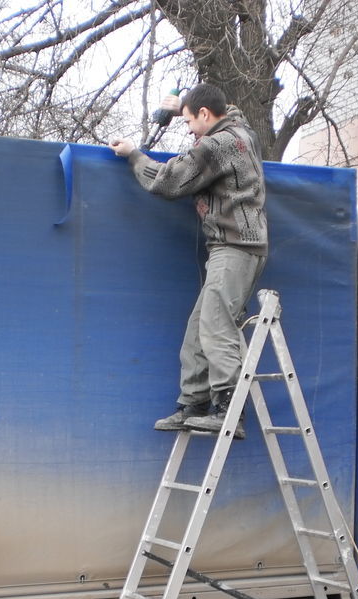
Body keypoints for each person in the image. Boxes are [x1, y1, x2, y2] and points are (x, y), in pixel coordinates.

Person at [109, 83, 267, 439]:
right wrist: (185, 104)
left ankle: (229, 411)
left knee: (216, 325)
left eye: (189, 121)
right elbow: (229, 111)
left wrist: (134, 154)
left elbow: (169, 181)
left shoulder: (218, 144)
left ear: (207, 116)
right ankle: (193, 405)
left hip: (236, 246)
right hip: (235, 246)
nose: (188, 128)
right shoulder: (240, 132)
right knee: (199, 328)